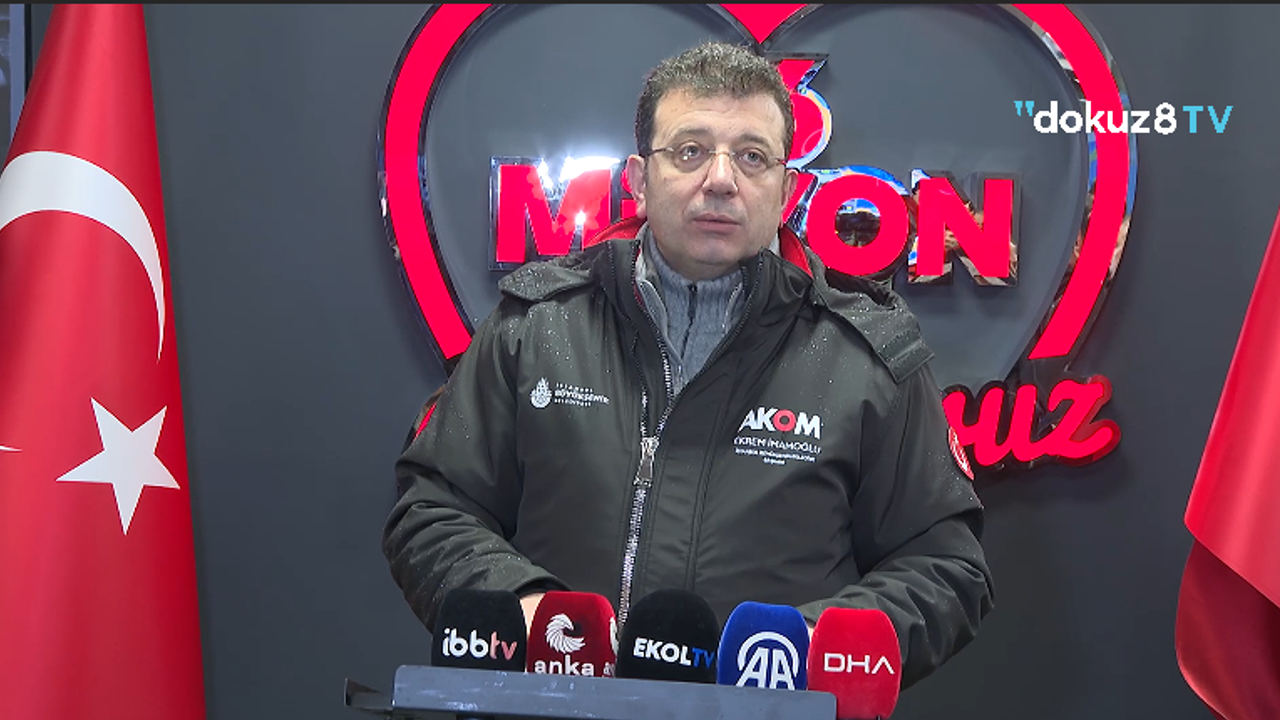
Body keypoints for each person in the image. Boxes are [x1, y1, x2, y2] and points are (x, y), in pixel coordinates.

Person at [382, 40, 994, 690]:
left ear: (786, 191)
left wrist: (808, 650)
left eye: (752, 156)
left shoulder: (867, 356)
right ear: (639, 180)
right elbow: (432, 511)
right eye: (690, 151)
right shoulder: (534, 328)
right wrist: (525, 610)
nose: (722, 180)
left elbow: (944, 566)